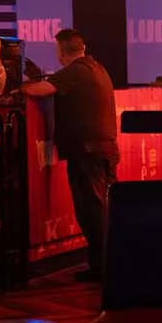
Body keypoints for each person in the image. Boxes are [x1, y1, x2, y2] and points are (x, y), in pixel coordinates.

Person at [22, 29, 118, 281]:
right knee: (98, 211)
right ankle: (103, 265)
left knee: (91, 212)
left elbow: (40, 90)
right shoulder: (96, 68)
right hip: (99, 150)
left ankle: (103, 268)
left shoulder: (76, 71)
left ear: (61, 50)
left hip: (88, 152)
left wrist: (21, 87)